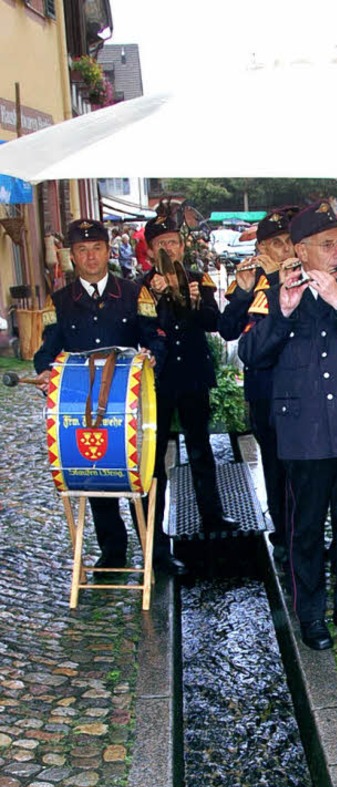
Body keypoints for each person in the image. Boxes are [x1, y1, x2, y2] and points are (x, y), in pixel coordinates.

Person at [238, 200, 337, 651]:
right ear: (301, 250)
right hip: (304, 430)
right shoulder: (273, 293)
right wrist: (284, 315)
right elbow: (250, 356)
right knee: (305, 528)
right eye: (327, 245)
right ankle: (310, 614)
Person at [34, 217, 166, 570]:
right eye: (82, 250)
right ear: (71, 256)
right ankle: (113, 552)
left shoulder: (133, 292)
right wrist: (44, 371)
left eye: (96, 249)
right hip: (84, 404)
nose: (90, 257)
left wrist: (153, 354)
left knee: (149, 474)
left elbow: (154, 336)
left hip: (131, 403)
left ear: (108, 251)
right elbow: (47, 350)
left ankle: (158, 552)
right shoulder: (60, 301)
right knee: (94, 472)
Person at [141, 213, 238, 575]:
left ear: (182, 246)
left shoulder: (200, 279)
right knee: (155, 461)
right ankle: (158, 544)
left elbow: (216, 324)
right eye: (162, 244)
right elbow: (146, 331)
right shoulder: (142, 287)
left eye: (174, 243)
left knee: (201, 449)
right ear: (151, 251)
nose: (170, 249)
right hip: (159, 382)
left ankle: (212, 517)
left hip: (194, 375)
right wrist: (160, 299)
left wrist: (196, 302)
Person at [219, 209, 298, 561]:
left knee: (304, 464)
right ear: (262, 247)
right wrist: (244, 291)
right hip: (265, 388)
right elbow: (227, 330)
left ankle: (305, 531)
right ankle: (282, 533)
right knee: (275, 463)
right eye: (275, 244)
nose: (284, 250)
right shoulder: (253, 280)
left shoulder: (299, 276)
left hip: (299, 384)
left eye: (289, 242)